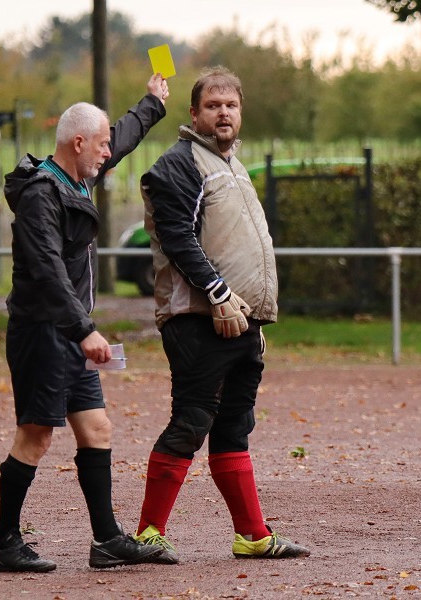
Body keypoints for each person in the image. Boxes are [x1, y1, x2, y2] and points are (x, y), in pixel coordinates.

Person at [0, 74, 170, 573]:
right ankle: (6, 543)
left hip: (67, 333)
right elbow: (46, 271)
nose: (109, 151)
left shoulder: (79, 178)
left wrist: (152, 103)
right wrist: (83, 330)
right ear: (78, 142)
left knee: (95, 426)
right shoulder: (41, 195)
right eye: (101, 143)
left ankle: (107, 540)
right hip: (43, 331)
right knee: (36, 434)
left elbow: (124, 136)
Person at [134, 66, 311, 563]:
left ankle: (252, 535)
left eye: (231, 104)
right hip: (199, 317)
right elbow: (177, 237)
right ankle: (148, 534)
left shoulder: (232, 165)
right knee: (191, 421)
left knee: (234, 426)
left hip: (241, 321)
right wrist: (217, 295)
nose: (223, 112)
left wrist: (252, 317)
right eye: (213, 105)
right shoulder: (178, 164)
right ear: (194, 114)